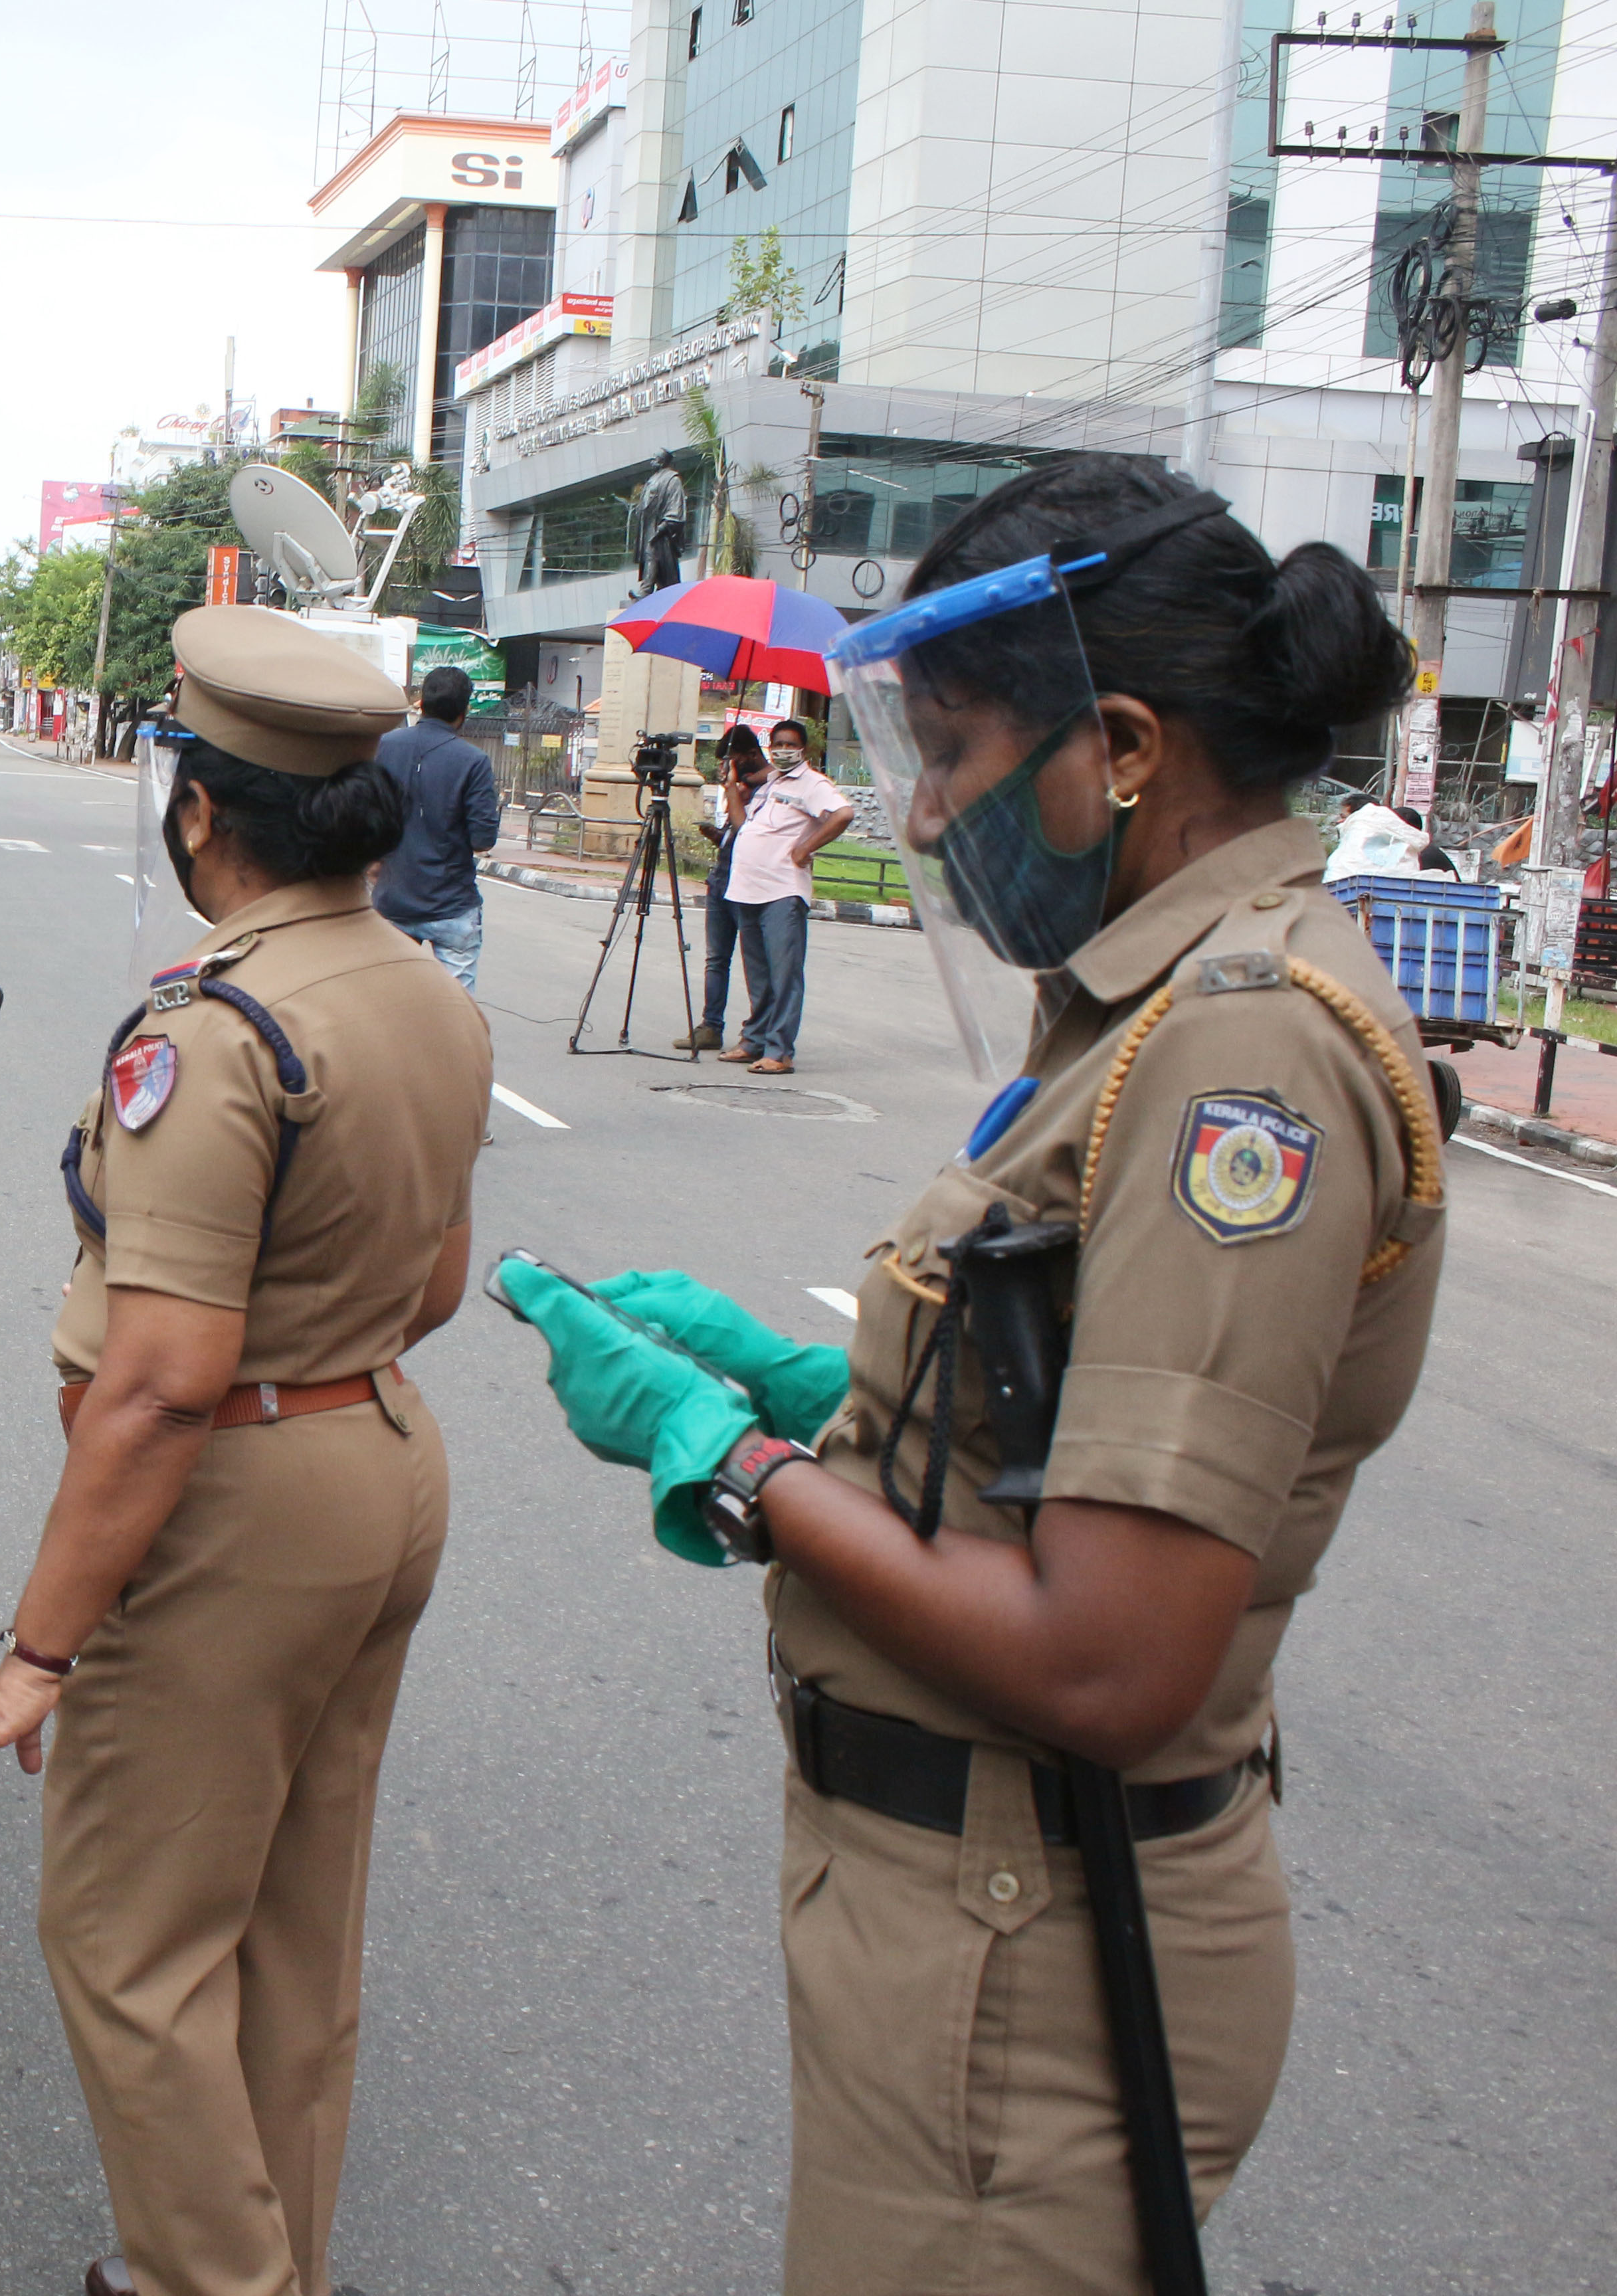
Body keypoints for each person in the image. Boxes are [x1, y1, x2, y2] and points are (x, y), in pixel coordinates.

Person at [502, 456, 1437, 2292]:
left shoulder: (1238, 1056)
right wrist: (820, 1396)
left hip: (1033, 1946)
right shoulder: (1159, 1004)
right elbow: (1051, 1417)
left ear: (1125, 748)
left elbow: (1110, 1654)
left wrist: (739, 1469)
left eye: (949, 753)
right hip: (972, 1918)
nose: (920, 819)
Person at [0, 605, 493, 2296]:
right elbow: (433, 1280)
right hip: (377, 1452)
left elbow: (156, 1383)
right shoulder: (422, 998)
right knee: (295, 1927)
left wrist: (33, 1654)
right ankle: (273, 2257)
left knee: (125, 1940)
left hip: (230, 1495)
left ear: (201, 810)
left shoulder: (214, 1031)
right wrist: (313, 1377)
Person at [724, 716, 855, 1074]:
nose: (783, 751)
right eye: (777, 744)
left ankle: (779, 1051)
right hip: (747, 888)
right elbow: (743, 826)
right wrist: (732, 790)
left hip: (782, 890)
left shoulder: (812, 784)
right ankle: (754, 1041)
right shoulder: (770, 784)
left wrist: (804, 848)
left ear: (804, 749)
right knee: (759, 973)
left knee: (784, 973)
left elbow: (843, 814)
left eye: (789, 745)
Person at [367, 661, 502, 994]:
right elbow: (482, 839)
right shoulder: (473, 762)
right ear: (464, 712)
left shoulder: (384, 747)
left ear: (421, 704)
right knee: (458, 1014)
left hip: (393, 901)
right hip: (452, 904)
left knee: (389, 1007)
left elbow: (366, 816)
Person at [677, 726, 767, 1052]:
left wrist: (735, 790)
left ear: (750, 756)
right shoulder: (742, 787)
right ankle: (711, 1025)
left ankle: (759, 1032)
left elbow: (754, 835)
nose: (725, 769)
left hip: (750, 888)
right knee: (717, 959)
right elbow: (737, 835)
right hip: (722, 881)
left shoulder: (771, 788)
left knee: (755, 962)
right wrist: (719, 836)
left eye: (731, 761)